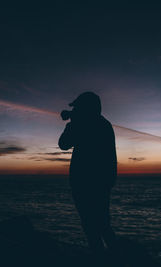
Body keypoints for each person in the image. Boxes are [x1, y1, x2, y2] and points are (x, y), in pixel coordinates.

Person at [58, 92, 117, 259]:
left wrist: (71, 122)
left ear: (84, 108)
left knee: (90, 224)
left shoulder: (83, 123)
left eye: (77, 107)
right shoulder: (104, 124)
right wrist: (74, 119)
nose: (74, 109)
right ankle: (114, 256)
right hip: (103, 182)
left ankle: (101, 256)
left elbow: (63, 144)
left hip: (84, 182)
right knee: (103, 223)